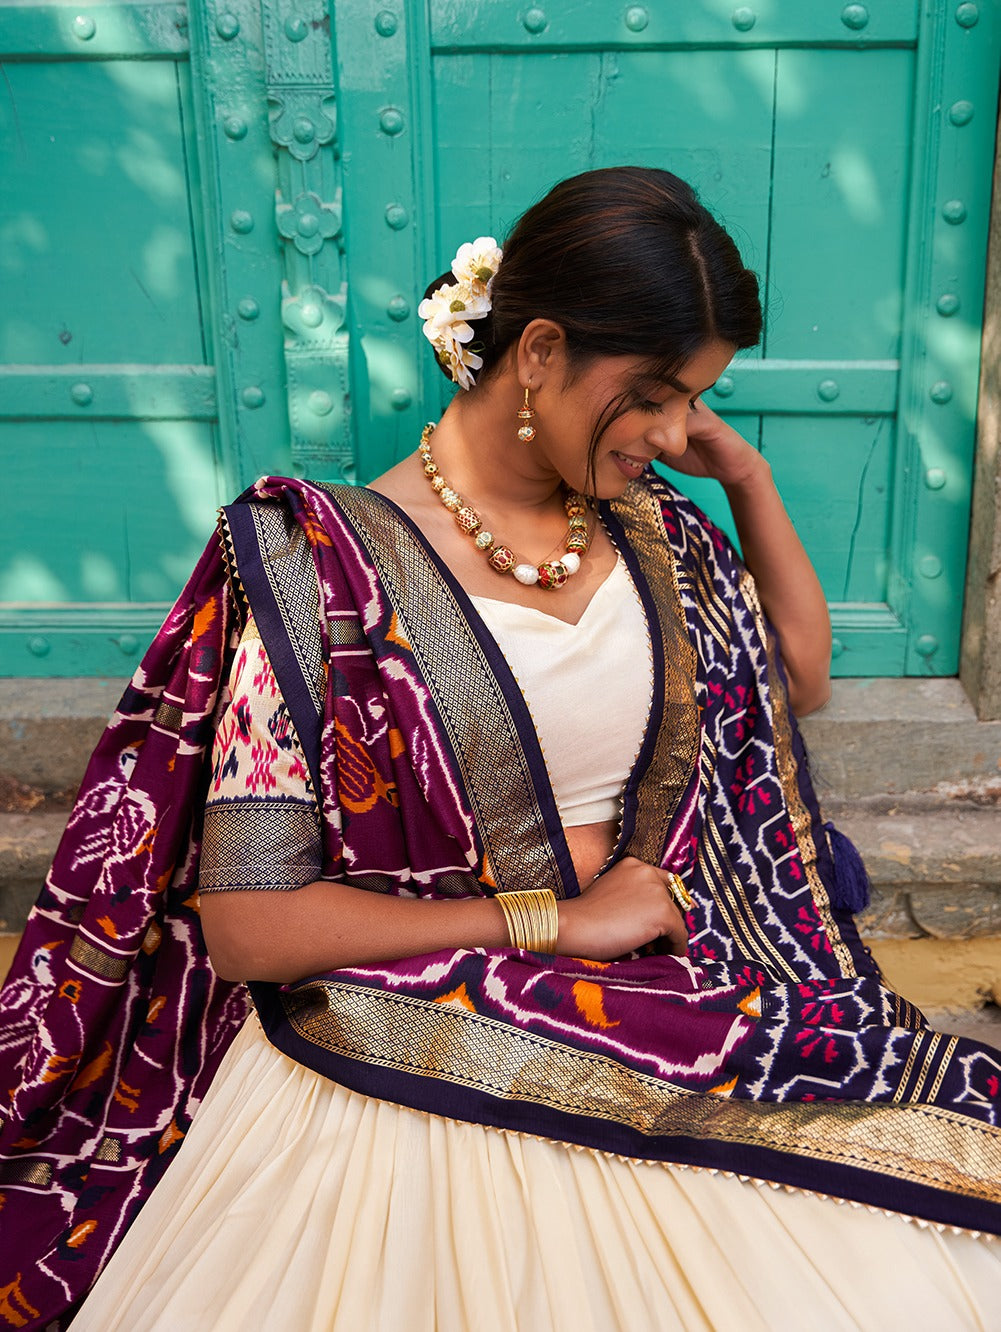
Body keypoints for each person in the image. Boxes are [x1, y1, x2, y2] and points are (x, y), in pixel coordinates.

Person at [2, 167, 999, 1331]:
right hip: (410, 1021)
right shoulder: (318, 572)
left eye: (696, 403)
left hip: (661, 991)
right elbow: (252, 928)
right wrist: (549, 922)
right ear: (536, 352)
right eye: (654, 396)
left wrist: (748, 477)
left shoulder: (657, 534)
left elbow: (799, 678)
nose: (674, 433)